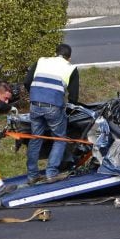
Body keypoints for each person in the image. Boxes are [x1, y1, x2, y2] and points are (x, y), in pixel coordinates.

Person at [23, 43, 79, 185]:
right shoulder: (70, 68)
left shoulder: (41, 61)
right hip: (53, 106)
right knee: (60, 139)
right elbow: (73, 96)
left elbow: (27, 81)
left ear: (55, 53)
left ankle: (32, 175)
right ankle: (51, 173)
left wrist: (36, 95)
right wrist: (69, 110)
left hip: (35, 105)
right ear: (69, 57)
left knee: (36, 138)